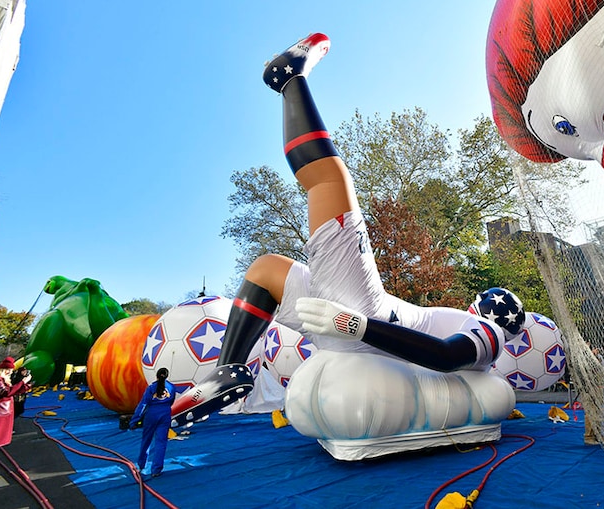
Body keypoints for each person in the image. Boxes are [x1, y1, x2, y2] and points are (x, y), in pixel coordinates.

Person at [171, 33, 526, 426]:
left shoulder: (486, 335)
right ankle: (230, 369)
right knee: (266, 270)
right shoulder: (478, 335)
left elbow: (445, 357)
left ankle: (289, 79)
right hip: (356, 323)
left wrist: (357, 326)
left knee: (328, 181)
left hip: (365, 319)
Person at [0, 356, 32, 481]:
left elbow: (9, 391)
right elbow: (5, 392)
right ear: (6, 370)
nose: (12, 373)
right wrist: (23, 382)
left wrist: (26, 386)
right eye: (11, 371)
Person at [130, 367, 175, 477]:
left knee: (147, 440)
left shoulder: (151, 388)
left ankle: (141, 464)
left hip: (151, 415)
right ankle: (156, 470)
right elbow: (172, 401)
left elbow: (143, 405)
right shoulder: (171, 387)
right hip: (165, 414)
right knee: (161, 442)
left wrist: (134, 420)